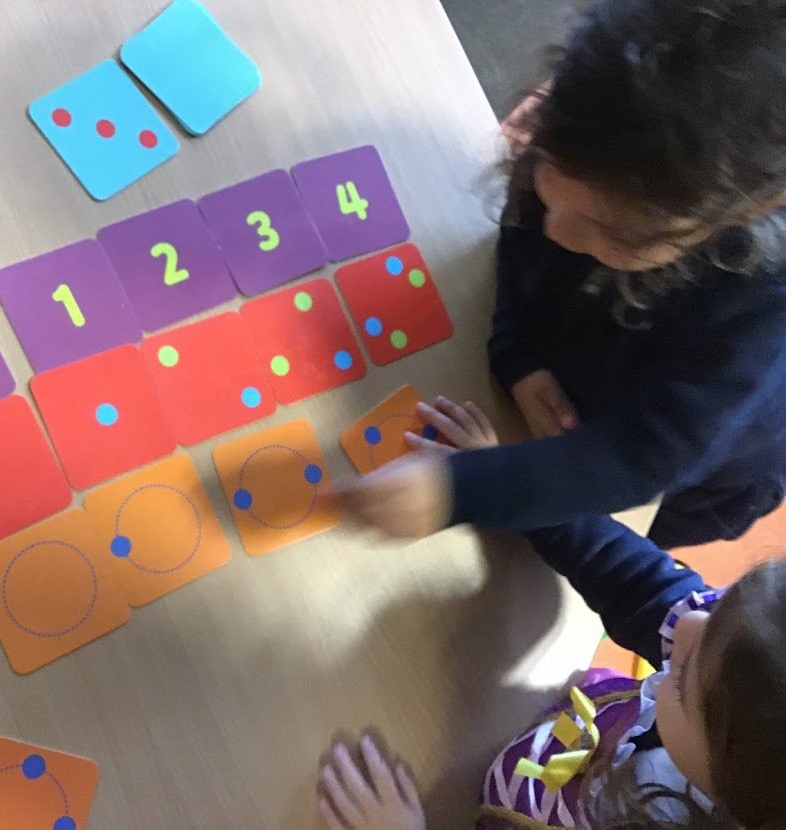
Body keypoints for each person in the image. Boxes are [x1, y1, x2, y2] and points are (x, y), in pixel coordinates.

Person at [339, 0, 786, 548]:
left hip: (680, 471)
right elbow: (526, 237)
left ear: (749, 208)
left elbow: (642, 460)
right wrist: (516, 355)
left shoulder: (760, 329)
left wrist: (460, 491)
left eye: (617, 234)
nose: (559, 234)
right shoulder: (588, 149)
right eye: (547, 185)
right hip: (569, 374)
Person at [317, 398, 786, 829]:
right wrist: (500, 484)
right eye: (721, 601)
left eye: (682, 679)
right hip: (559, 734)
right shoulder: (720, 643)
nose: (684, 623)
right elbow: (623, 570)